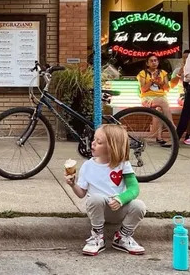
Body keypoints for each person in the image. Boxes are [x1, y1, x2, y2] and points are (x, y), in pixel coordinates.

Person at [65, 124, 147, 256]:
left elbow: (134, 188)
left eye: (99, 142)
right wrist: (72, 184)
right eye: (94, 139)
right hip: (98, 209)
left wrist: (121, 199)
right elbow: (81, 194)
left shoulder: (123, 164)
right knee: (96, 198)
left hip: (119, 208)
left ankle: (123, 237)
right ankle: (97, 236)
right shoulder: (88, 166)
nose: (93, 143)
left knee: (139, 205)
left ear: (111, 147)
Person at [136, 53, 175, 146]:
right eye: (151, 61)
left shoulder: (163, 73)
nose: (154, 62)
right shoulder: (143, 73)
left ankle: (159, 137)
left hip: (161, 97)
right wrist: (151, 81)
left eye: (156, 60)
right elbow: (143, 89)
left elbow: (167, 88)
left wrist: (160, 82)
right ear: (147, 63)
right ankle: (172, 126)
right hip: (147, 98)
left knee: (159, 109)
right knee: (162, 103)